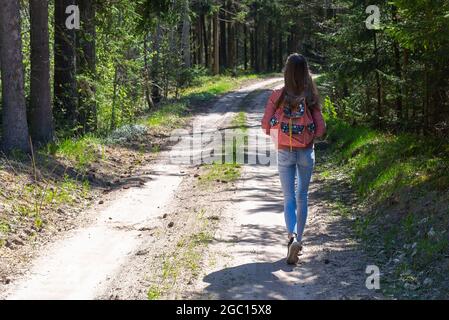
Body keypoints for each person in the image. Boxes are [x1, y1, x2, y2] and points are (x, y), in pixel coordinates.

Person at [261, 53, 326, 264]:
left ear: (286, 72)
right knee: (302, 195)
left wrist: (277, 132)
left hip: (284, 151)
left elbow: (264, 125)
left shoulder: (277, 95)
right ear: (306, 71)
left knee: (288, 197)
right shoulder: (310, 96)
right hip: (306, 152)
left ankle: (292, 238)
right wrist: (308, 137)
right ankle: (300, 239)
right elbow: (321, 128)